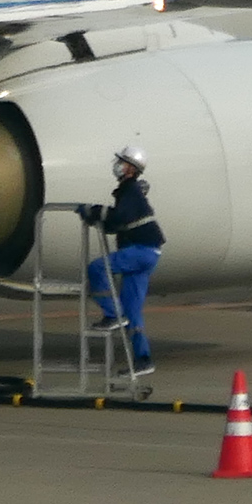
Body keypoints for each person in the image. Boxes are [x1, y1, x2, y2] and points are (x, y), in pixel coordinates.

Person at [78, 145, 165, 376]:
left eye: (122, 162)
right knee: (133, 309)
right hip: (149, 252)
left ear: (130, 169)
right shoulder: (129, 193)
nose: (117, 165)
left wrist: (93, 211)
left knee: (97, 268)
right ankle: (143, 359)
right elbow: (118, 224)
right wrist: (98, 219)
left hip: (140, 250)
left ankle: (112, 314)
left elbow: (118, 216)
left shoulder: (129, 190)